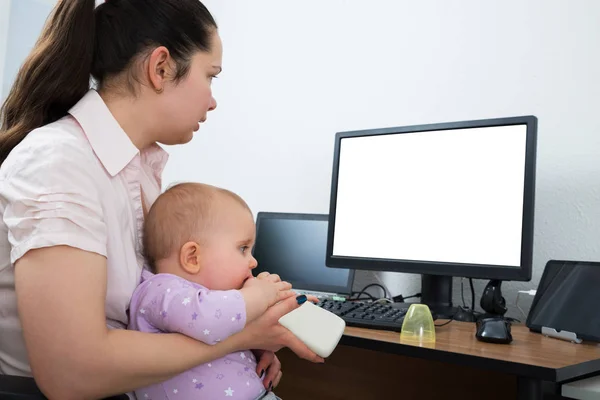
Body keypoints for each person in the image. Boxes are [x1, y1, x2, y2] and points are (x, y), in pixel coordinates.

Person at [0, 1, 322, 399]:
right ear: (161, 68)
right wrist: (238, 337)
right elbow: (70, 373)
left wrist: (251, 331)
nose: (212, 100)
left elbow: (162, 307)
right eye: (210, 76)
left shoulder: (141, 174)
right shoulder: (59, 163)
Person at [130, 182, 290, 400]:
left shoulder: (210, 298)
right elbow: (210, 318)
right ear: (192, 258)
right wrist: (260, 295)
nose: (253, 261)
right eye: (243, 248)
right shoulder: (160, 290)